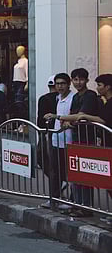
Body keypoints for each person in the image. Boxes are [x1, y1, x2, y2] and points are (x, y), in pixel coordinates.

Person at [53, 68, 100, 215]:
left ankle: (85, 207)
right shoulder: (76, 97)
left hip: (86, 139)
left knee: (84, 175)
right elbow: (74, 115)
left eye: (80, 79)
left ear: (86, 80)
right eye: (75, 79)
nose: (78, 82)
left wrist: (61, 118)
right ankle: (77, 204)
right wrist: (69, 121)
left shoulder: (90, 96)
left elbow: (81, 115)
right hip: (76, 138)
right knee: (76, 174)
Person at [43, 73, 75, 207]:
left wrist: (57, 117)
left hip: (70, 141)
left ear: (68, 84)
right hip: (56, 139)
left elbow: (75, 116)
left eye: (63, 83)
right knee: (54, 170)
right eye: (58, 84)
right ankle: (54, 198)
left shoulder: (74, 98)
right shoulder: (57, 98)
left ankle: (74, 201)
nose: (60, 86)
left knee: (71, 173)